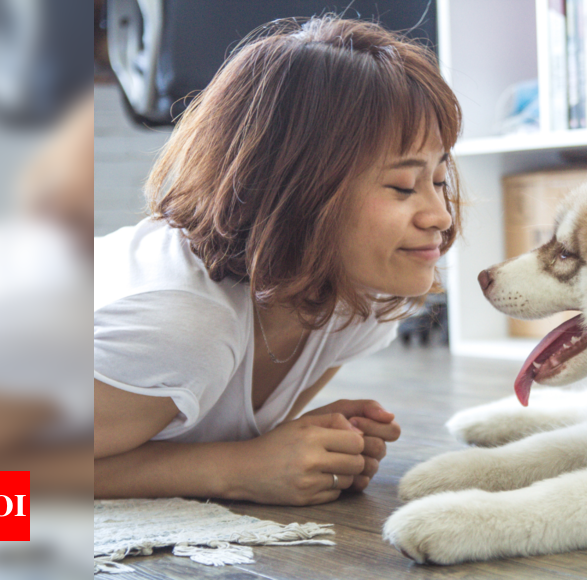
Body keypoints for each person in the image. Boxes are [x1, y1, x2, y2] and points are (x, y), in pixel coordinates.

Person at [94, 16, 462, 506]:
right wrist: (235, 470)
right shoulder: (183, 328)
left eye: (438, 180)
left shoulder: (358, 299)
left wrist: (303, 447)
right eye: (401, 186)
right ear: (296, 191)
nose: (439, 215)